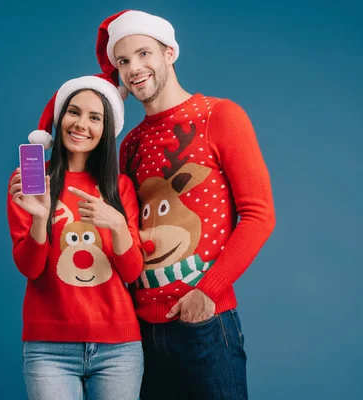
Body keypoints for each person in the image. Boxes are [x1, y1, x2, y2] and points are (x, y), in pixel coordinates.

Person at [94, 10, 277, 400]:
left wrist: (207, 292)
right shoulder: (130, 144)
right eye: (123, 61)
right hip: (142, 331)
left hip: (205, 325)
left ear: (170, 52)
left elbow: (259, 215)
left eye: (144, 53)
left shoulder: (220, 116)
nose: (134, 68)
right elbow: (122, 229)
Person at [6, 69, 144, 400]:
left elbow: (132, 271)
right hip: (48, 349)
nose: (82, 124)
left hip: (118, 348)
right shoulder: (30, 181)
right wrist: (40, 218)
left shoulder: (120, 188)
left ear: (105, 129)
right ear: (60, 118)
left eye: (95, 117)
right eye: (73, 112)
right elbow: (30, 269)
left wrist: (118, 225)